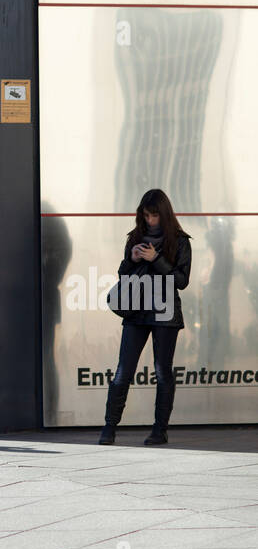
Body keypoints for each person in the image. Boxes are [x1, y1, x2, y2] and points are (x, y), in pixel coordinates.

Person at [99, 189, 191, 447]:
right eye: (146, 215)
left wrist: (157, 259)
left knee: (163, 372)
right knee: (123, 370)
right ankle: (109, 428)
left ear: (164, 214)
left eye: (154, 215)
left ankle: (159, 431)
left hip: (165, 312)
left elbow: (182, 281)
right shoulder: (135, 238)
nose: (150, 220)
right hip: (136, 310)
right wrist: (132, 258)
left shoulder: (181, 241)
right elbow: (124, 274)